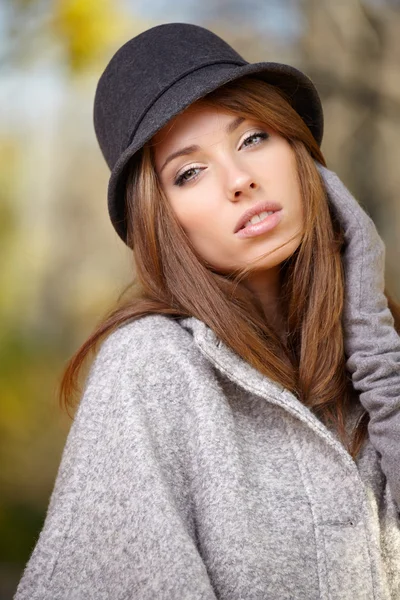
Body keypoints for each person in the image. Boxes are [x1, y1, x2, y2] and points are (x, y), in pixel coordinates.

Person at [14, 23, 400, 600]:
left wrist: (372, 341)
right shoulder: (150, 369)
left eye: (253, 139)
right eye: (189, 172)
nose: (240, 180)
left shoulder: (379, 350)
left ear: (303, 157)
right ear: (160, 220)